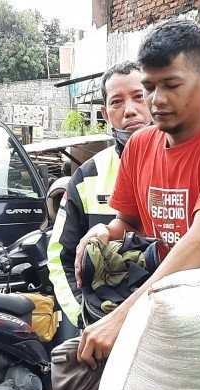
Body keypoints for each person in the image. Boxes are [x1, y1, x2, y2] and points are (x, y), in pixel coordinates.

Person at [75, 19, 200, 367]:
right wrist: (102, 232)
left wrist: (124, 317)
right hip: (170, 315)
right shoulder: (140, 145)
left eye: (171, 85)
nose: (157, 100)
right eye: (149, 87)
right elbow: (127, 222)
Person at [47, 61, 152, 329]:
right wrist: (85, 319)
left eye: (139, 97)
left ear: (153, 97)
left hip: (161, 323)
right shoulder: (87, 176)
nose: (130, 110)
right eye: (117, 102)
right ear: (105, 114)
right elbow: (60, 258)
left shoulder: (180, 165)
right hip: (100, 321)